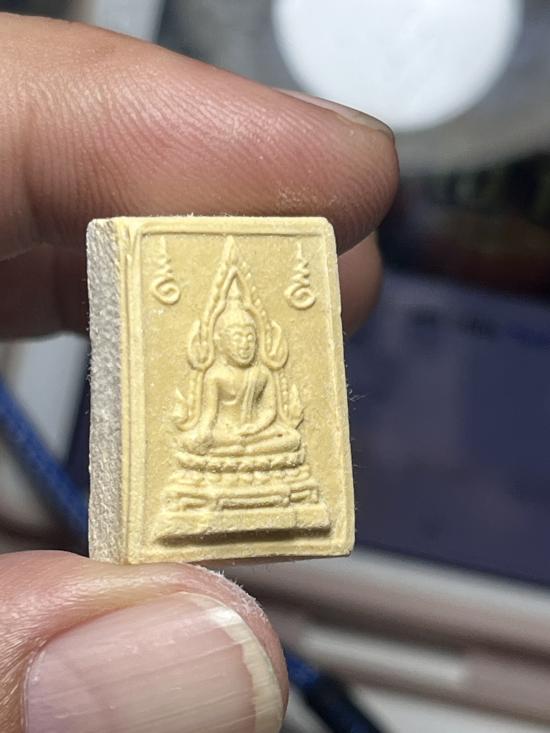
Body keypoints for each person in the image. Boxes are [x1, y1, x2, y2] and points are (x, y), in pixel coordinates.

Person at [0, 12, 398, 733]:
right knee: (202, 459)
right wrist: (200, 429)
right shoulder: (216, 375)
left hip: (260, 460)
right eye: (234, 334)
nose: (242, 344)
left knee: (279, 445)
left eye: (250, 335)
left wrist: (272, 417)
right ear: (219, 336)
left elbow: (270, 425)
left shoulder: (259, 371)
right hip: (215, 459)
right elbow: (209, 429)